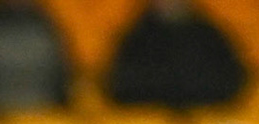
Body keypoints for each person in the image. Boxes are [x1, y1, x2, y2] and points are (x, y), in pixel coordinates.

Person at [105, 0, 247, 111]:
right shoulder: (138, 37)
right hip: (147, 123)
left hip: (206, 121)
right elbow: (119, 85)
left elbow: (232, 82)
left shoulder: (207, 35)